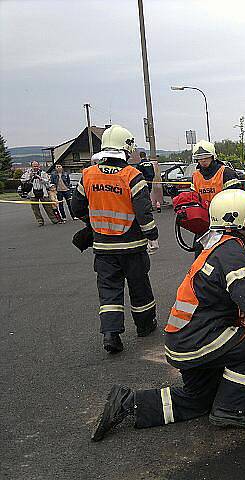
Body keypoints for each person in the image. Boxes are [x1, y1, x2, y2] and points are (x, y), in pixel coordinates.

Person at [91, 189, 245, 442]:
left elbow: (233, 300)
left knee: (199, 401)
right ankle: (232, 410)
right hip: (198, 341)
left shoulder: (215, 244)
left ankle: (128, 403)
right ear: (235, 220)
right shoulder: (232, 252)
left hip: (183, 342)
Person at [71, 125, 159, 353]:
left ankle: (111, 335)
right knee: (139, 288)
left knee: (109, 292)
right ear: (126, 147)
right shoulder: (132, 175)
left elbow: (76, 207)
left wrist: (93, 223)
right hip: (132, 246)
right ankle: (144, 326)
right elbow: (143, 211)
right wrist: (152, 235)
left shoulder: (88, 175)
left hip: (103, 248)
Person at [191, 140, 243, 204]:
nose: (203, 160)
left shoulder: (226, 173)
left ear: (213, 156)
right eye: (200, 158)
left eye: (206, 157)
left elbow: (235, 197)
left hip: (223, 210)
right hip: (202, 212)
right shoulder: (195, 176)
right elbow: (194, 198)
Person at [20, 161, 59, 226]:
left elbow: (47, 181)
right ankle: (40, 221)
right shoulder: (27, 173)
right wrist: (30, 176)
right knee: (35, 209)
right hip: (33, 193)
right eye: (34, 166)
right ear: (31, 166)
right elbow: (22, 180)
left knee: (48, 207)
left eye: (37, 166)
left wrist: (40, 178)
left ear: (39, 166)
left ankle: (54, 219)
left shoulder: (43, 173)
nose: (35, 167)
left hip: (43, 192)